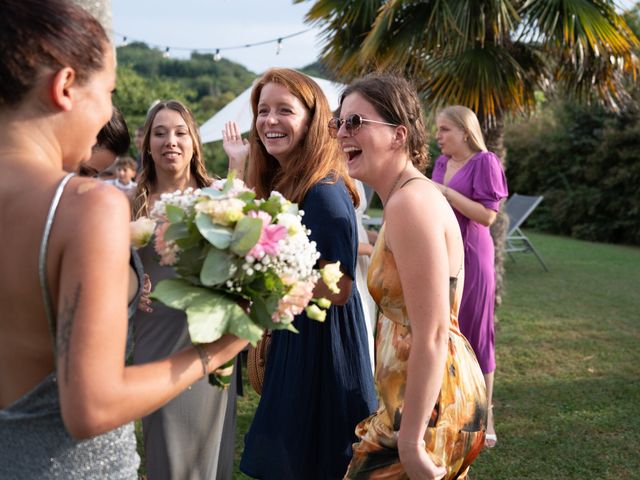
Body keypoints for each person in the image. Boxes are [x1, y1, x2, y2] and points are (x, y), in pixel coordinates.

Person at [0, 2, 247, 478]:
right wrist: (220, 350)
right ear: (66, 86)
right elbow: (91, 408)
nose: (109, 114)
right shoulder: (88, 206)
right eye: (109, 92)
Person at [222, 68, 377, 479]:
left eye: (284, 111)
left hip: (323, 352)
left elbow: (339, 288)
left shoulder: (323, 194)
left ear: (311, 121)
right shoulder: (287, 183)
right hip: (298, 340)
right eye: (263, 110)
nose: (270, 121)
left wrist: (261, 279)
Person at [333, 74, 488, 480]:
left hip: (430, 407)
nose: (342, 133)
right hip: (422, 399)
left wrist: (411, 440)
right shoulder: (407, 198)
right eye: (339, 122)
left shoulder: (410, 204)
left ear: (399, 135)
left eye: (355, 122)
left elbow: (434, 331)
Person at [132, 100, 240, 480]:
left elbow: (241, 255)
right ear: (147, 144)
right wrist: (131, 285)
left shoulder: (216, 196)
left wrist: (237, 165)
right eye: (159, 133)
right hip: (154, 336)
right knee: (167, 451)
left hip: (209, 336)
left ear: (194, 141)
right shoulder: (132, 200)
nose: (170, 141)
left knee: (211, 451)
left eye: (179, 132)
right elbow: (109, 264)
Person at [431, 105, 508, 449]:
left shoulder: (485, 161)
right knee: (444, 330)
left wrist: (447, 193)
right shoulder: (441, 164)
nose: (438, 136)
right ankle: (446, 406)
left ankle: (484, 414)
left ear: (465, 131)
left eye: (445, 129)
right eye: (438, 130)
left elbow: (487, 216)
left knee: (477, 332)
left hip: (474, 256)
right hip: (441, 254)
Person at [354, 179, 377, 373]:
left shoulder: (353, 169)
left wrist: (378, 238)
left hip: (362, 263)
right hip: (352, 260)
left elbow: (356, 224)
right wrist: (369, 249)